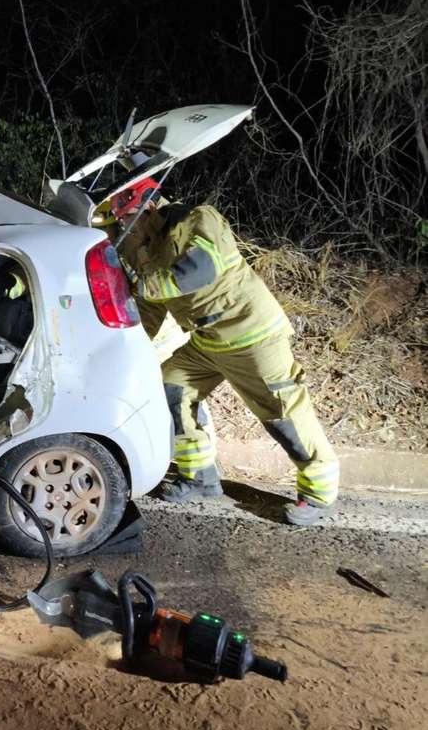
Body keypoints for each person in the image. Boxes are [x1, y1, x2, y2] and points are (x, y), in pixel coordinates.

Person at [110, 178, 339, 527]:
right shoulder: (143, 247)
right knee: (171, 389)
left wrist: (145, 285)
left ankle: (319, 491)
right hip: (206, 340)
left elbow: (201, 269)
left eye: (128, 218)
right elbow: (151, 307)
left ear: (149, 207)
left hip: (251, 334)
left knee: (283, 414)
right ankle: (200, 476)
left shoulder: (201, 220)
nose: (124, 226)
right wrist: (132, 344)